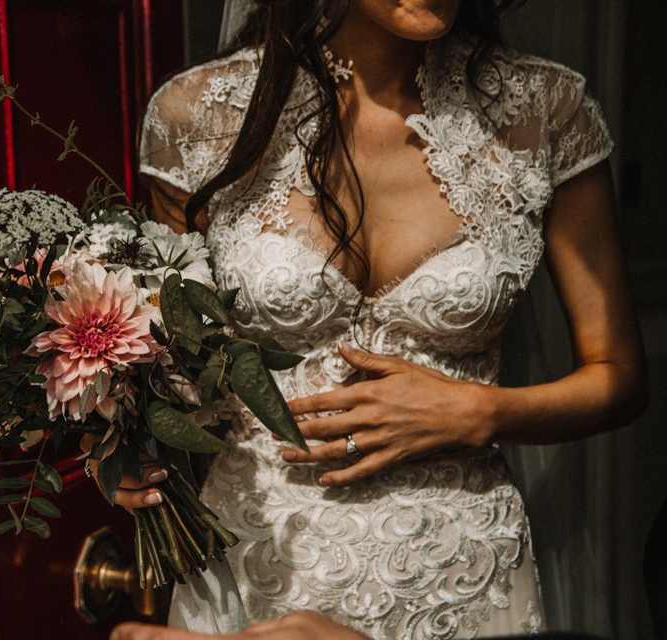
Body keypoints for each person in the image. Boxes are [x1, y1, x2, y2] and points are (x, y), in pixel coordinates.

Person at [88, 0, 649, 636]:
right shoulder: (197, 114)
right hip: (259, 561)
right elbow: (170, 364)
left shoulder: (546, 108)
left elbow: (620, 376)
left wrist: (478, 412)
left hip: (462, 569)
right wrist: (123, 441)